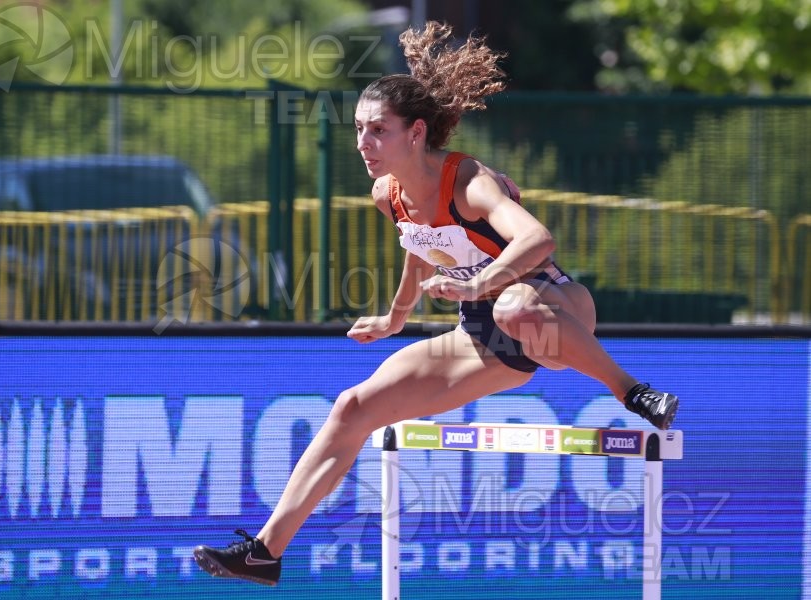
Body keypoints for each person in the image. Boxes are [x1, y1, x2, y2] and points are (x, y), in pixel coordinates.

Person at [193, 21, 678, 587]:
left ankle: (631, 390)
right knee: (352, 408)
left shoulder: (468, 181)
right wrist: (395, 317)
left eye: (378, 130)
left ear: (416, 132)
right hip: (485, 336)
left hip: (554, 307)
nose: (363, 143)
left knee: (512, 305)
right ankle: (265, 552)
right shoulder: (388, 195)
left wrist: (479, 284)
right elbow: (420, 248)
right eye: (358, 130)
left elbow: (537, 240)